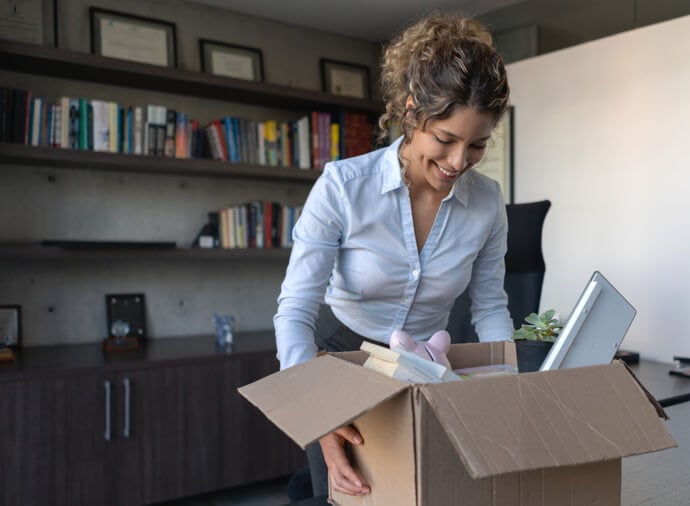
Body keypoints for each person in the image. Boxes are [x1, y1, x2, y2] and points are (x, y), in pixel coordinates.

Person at [274, 10, 513, 498]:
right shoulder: (343, 187)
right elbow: (295, 310)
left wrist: (509, 389)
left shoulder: (487, 203)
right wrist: (320, 417)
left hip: (429, 364)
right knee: (348, 492)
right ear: (411, 112)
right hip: (339, 357)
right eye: (445, 140)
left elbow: (490, 307)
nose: (456, 163)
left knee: (430, 489)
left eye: (476, 146)